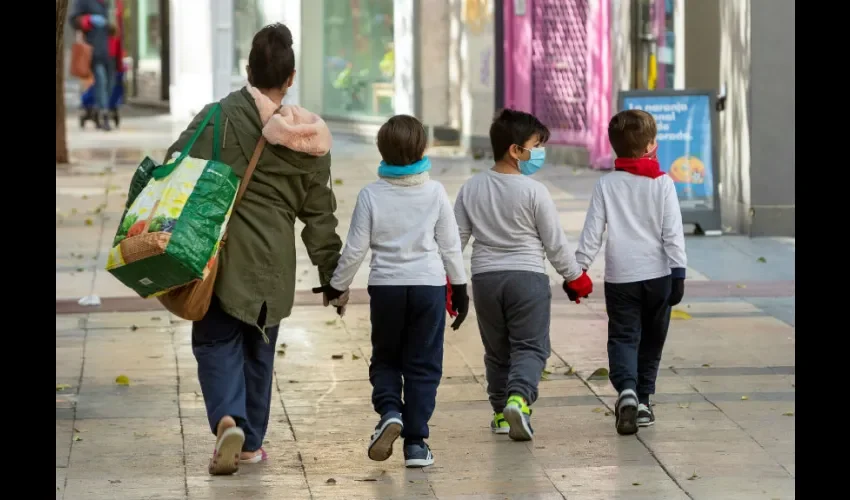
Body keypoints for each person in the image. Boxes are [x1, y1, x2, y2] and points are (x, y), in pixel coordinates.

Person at [164, 23, 343, 475]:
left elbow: (174, 167)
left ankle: (228, 419)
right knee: (259, 351)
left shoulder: (219, 116)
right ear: (291, 76)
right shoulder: (310, 139)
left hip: (220, 259)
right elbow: (319, 213)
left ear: (248, 70)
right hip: (273, 264)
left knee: (215, 341)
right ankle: (250, 444)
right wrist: (332, 275)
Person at [316, 115, 468, 468]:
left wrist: (338, 287)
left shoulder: (371, 194)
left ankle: (389, 411)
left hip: (386, 289)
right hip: (428, 287)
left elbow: (355, 250)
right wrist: (459, 288)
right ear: (422, 149)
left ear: (381, 150)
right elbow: (450, 246)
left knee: (386, 357)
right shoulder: (434, 192)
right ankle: (416, 443)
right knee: (423, 364)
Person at [453, 109, 593, 442]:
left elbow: (454, 241)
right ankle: (519, 398)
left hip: (485, 280)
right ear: (515, 150)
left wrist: (448, 280)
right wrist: (575, 278)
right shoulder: (534, 192)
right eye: (536, 145)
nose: (540, 153)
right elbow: (555, 244)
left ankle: (501, 413)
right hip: (527, 279)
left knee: (497, 352)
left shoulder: (471, 187)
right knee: (531, 348)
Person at [573, 109, 687, 435]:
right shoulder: (663, 183)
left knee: (623, 336)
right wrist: (678, 271)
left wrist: (578, 270)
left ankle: (627, 391)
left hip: (621, 277)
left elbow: (592, 234)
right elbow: (672, 233)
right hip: (659, 276)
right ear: (650, 145)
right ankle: (645, 403)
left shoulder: (606, 184)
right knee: (652, 339)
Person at [70, 0, 115, 130]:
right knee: (101, 80)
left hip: (109, 50)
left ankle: (97, 109)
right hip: (92, 50)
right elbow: (73, 20)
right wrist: (89, 20)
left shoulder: (108, 3)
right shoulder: (83, 1)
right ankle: (104, 115)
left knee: (110, 84)